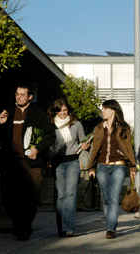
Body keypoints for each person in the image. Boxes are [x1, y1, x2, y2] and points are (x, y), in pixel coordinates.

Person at [0, 83, 56, 241]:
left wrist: (37, 149)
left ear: (30, 97)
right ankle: (18, 224)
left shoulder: (38, 114)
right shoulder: (8, 113)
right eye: (16, 94)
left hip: (30, 163)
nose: (18, 97)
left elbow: (50, 135)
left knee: (28, 197)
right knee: (8, 195)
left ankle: (24, 227)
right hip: (9, 162)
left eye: (22, 94)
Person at [87, 100, 137, 239]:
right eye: (102, 109)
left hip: (118, 166)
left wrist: (132, 166)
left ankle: (110, 229)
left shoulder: (123, 127)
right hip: (102, 166)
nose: (102, 111)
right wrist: (91, 167)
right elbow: (95, 149)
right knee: (106, 199)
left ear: (113, 110)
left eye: (105, 109)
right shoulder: (98, 127)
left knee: (113, 199)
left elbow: (128, 147)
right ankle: (111, 225)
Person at [48, 98, 88, 237]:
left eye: (65, 110)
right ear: (55, 111)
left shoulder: (76, 124)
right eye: (59, 110)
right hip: (57, 163)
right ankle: (61, 228)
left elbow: (83, 141)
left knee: (71, 194)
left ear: (68, 110)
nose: (62, 113)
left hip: (72, 162)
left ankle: (69, 227)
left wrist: (85, 145)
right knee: (61, 196)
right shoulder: (51, 124)